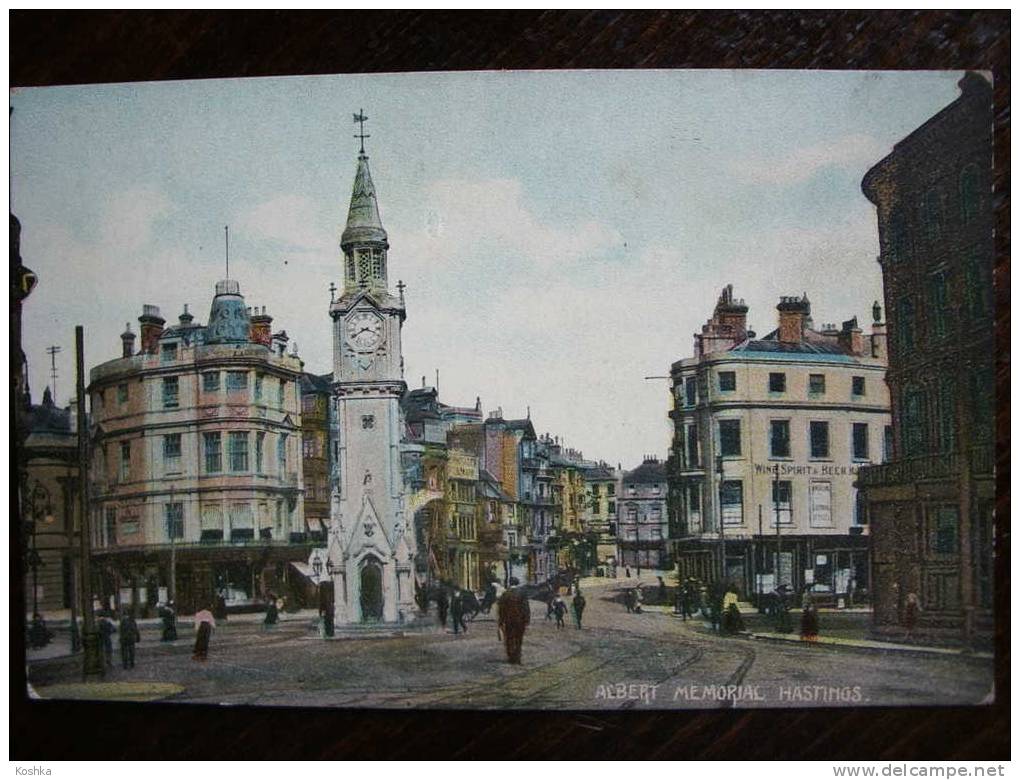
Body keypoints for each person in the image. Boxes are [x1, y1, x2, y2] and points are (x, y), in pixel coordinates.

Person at [497, 580, 531, 665]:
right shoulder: (521, 593)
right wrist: (527, 619)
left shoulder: (505, 594)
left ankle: (510, 657)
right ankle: (517, 657)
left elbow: (501, 609)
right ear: (517, 583)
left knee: (509, 638)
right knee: (519, 639)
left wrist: (501, 621)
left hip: (508, 620)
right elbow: (525, 607)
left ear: (510, 583)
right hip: (520, 621)